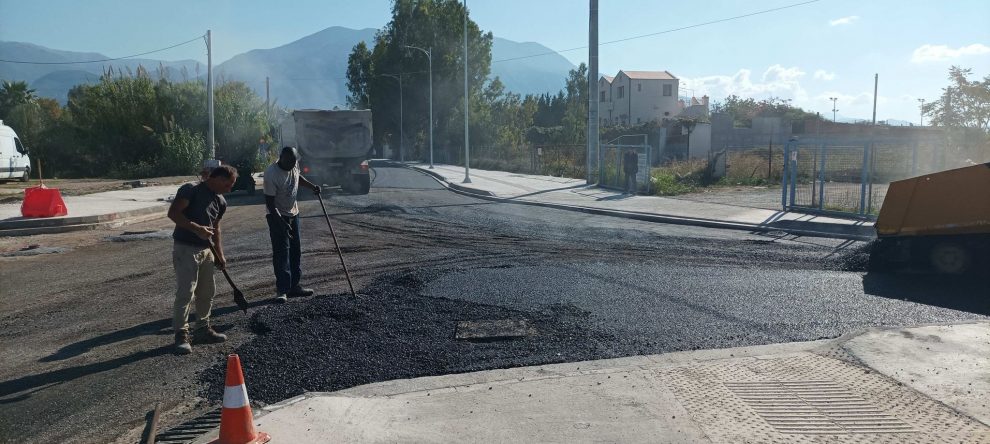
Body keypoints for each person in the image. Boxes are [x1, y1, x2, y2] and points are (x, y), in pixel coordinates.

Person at [167, 165, 237, 355]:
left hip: (207, 251)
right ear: (217, 179)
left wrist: (220, 254)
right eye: (228, 184)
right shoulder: (191, 190)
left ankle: (202, 330)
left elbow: (216, 228)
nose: (229, 189)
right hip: (185, 249)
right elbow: (173, 214)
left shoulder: (220, 201)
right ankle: (181, 335)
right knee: (185, 293)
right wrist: (197, 228)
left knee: (207, 292)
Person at [264, 146, 321, 303]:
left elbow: (298, 177)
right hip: (277, 215)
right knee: (282, 253)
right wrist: (281, 223)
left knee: (296, 250)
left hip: (293, 213)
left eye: (294, 161)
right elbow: (270, 203)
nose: (292, 164)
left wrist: (312, 187)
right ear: (280, 157)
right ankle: (282, 290)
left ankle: (294, 286)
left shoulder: (293, 164)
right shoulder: (271, 174)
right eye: (289, 161)